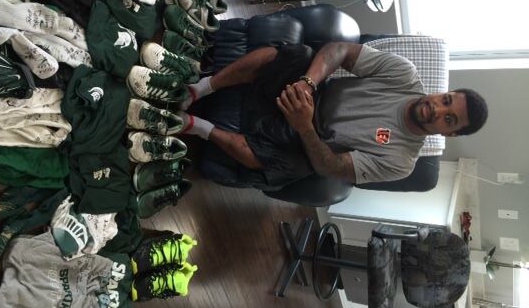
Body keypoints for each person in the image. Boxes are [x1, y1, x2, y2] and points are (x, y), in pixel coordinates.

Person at [176, 41, 488, 188]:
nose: (437, 109)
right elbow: (341, 51)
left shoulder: (401, 162)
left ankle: (195, 125)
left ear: (448, 133)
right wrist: (307, 83)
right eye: (446, 100)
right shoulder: (403, 74)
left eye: (448, 118)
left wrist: (304, 127)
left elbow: (332, 167)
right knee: (295, 54)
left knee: (279, 166)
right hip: (311, 91)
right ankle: (200, 89)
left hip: (309, 142)